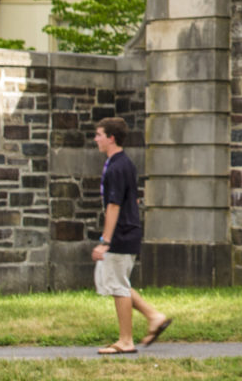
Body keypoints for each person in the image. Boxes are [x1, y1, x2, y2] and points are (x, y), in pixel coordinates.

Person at [92, 117, 172, 354]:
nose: (96, 139)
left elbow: (114, 206)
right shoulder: (123, 163)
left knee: (118, 287)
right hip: (127, 231)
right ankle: (154, 317)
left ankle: (126, 341)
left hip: (121, 234)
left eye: (99, 134)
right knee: (120, 283)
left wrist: (105, 241)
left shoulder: (117, 166)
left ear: (111, 138)